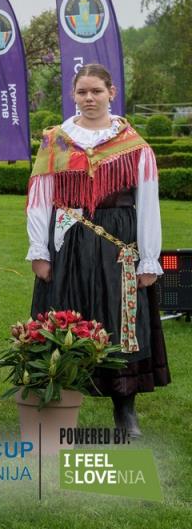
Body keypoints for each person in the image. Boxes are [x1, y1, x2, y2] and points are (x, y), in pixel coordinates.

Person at [28, 63, 168, 438]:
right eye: (82, 92)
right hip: (69, 240)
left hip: (117, 243)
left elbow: (148, 202)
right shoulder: (57, 140)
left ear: (111, 93)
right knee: (64, 317)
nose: (89, 98)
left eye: (96, 91)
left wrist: (149, 257)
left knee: (119, 322)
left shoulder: (134, 145)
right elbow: (41, 197)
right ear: (73, 95)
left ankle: (125, 408)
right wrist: (39, 250)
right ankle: (56, 408)